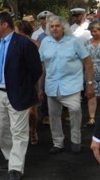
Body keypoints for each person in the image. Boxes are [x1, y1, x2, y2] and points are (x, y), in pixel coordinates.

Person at [0, 12, 42, 180]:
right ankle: (9, 157)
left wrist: (24, 87)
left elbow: (36, 70)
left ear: (5, 25)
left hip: (18, 93)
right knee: (2, 128)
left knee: (18, 131)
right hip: (0, 93)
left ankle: (16, 168)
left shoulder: (24, 44)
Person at [39, 15, 95, 154]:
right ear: (48, 29)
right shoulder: (45, 42)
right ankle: (58, 142)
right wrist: (39, 87)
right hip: (52, 85)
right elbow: (41, 66)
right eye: (51, 26)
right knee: (53, 115)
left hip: (72, 85)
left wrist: (89, 84)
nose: (54, 29)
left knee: (75, 110)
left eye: (57, 26)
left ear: (63, 27)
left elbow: (88, 63)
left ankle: (76, 140)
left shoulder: (74, 41)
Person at [14, 20, 41, 145]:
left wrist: (38, 85)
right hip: (17, 80)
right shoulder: (13, 43)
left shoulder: (34, 44)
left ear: (21, 30)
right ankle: (22, 132)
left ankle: (33, 130)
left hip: (31, 80)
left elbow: (38, 67)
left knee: (32, 110)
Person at [84, 20, 100, 127]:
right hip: (90, 72)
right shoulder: (86, 43)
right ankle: (92, 118)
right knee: (91, 94)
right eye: (91, 31)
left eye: (95, 31)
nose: (93, 33)